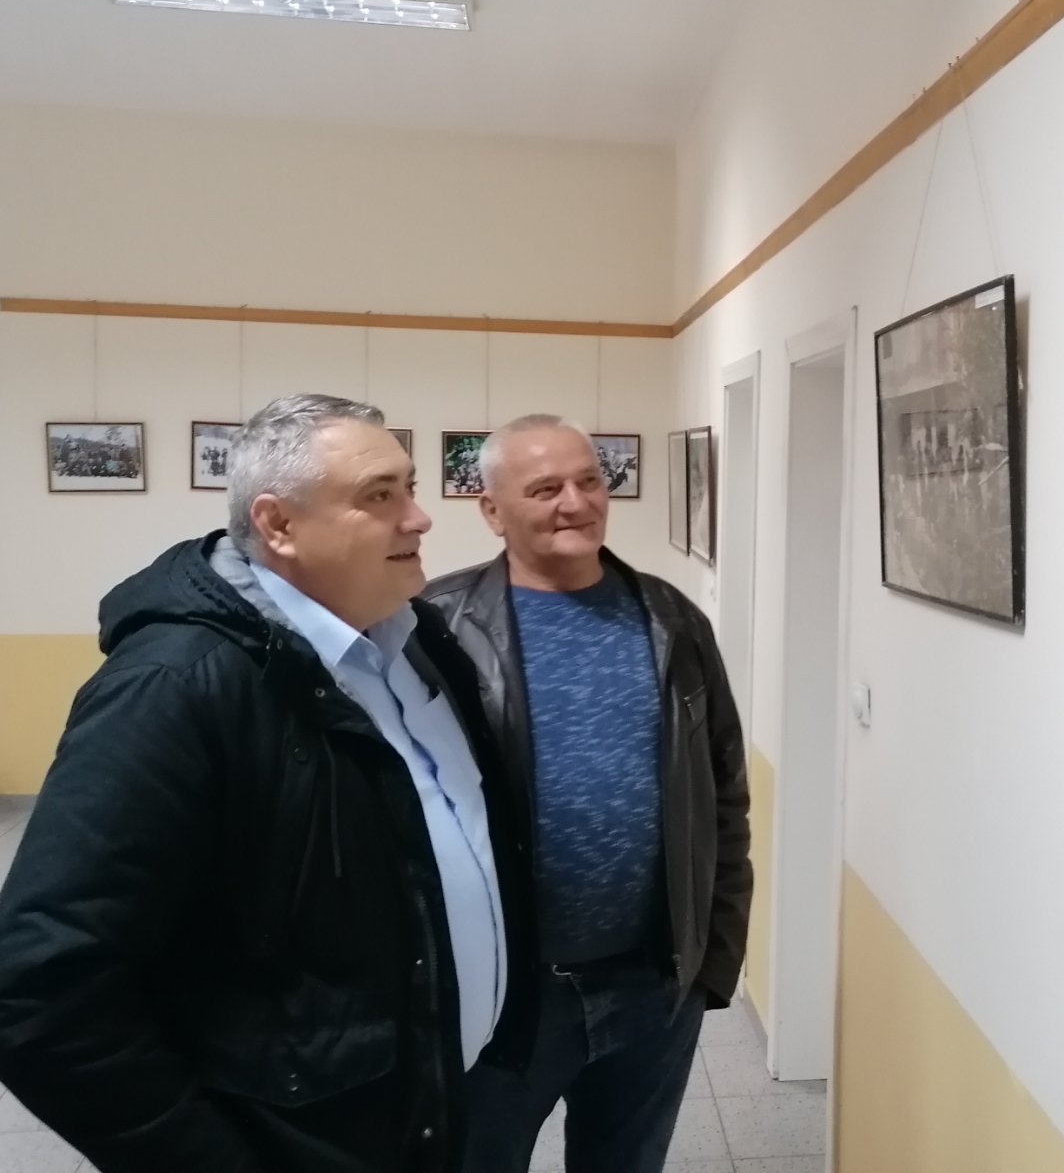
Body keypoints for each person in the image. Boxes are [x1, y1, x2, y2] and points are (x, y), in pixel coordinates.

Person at [0, 394, 532, 1173]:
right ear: (279, 526)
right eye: (379, 495)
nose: (419, 518)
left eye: (410, 486)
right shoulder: (175, 686)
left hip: (435, 1104)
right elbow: (40, 989)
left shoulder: (416, 638)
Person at [424, 414, 752, 1173]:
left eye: (589, 480)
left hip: (651, 991)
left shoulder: (672, 620)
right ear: (493, 510)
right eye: (545, 488)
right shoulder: (437, 625)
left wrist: (711, 962)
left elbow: (722, 796)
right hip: (503, 997)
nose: (576, 501)